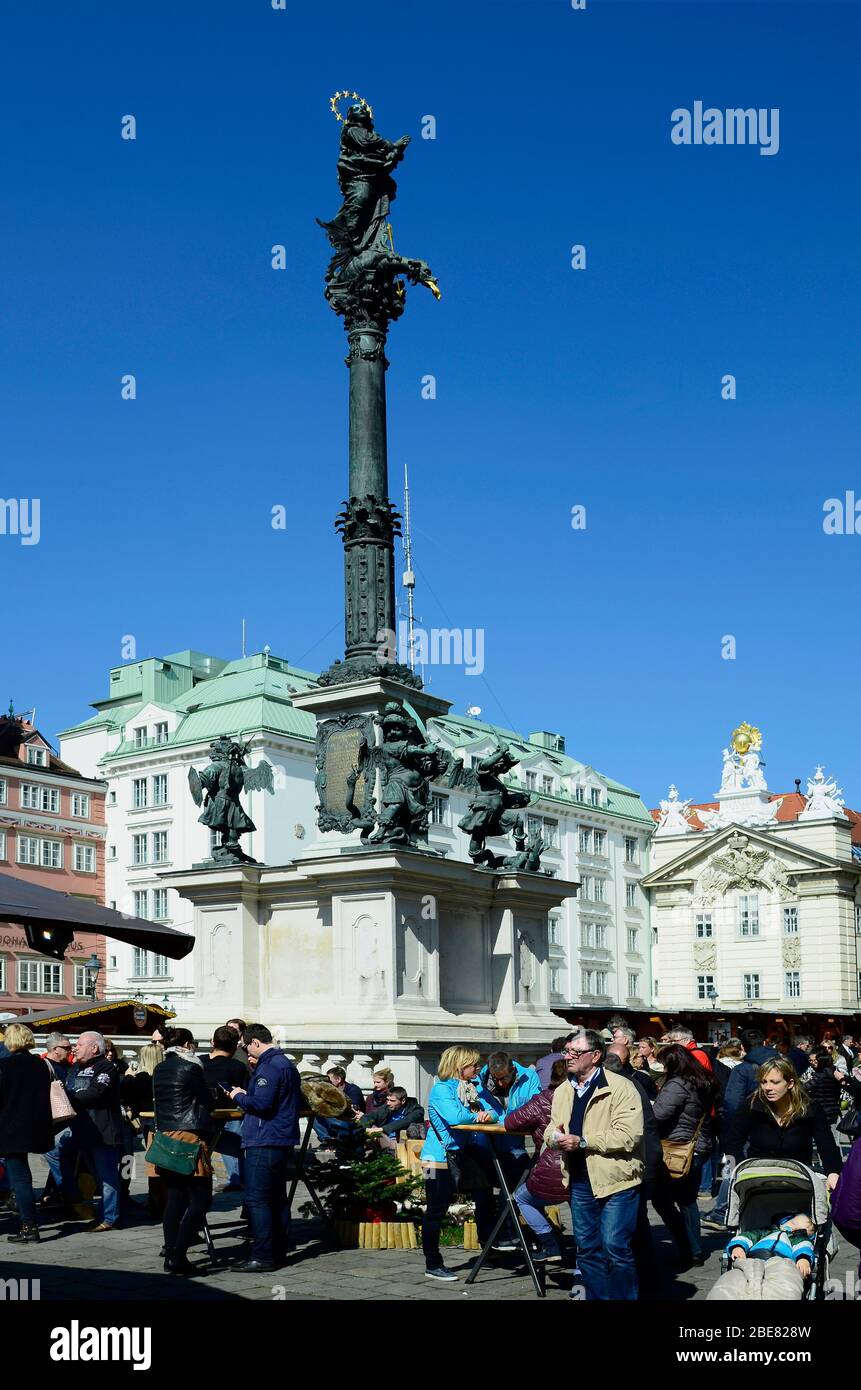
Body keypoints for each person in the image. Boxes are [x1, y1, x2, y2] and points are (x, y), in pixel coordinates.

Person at [545, 1029, 644, 1300]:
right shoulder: (564, 1089)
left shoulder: (621, 1087)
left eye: (575, 1052)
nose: (568, 1057)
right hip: (579, 1179)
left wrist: (585, 1141)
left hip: (617, 1178)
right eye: (567, 1052)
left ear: (596, 1055)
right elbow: (551, 1129)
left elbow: (629, 1135)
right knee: (587, 1248)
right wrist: (554, 1137)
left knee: (615, 1246)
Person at [227, 1024, 302, 1273]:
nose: (246, 1051)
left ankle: (262, 1255)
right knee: (277, 1198)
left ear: (255, 1042)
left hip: (265, 1138)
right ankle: (278, 1252)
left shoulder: (269, 1066)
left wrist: (238, 1095)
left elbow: (261, 1103)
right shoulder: (286, 1064)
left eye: (246, 1046)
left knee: (257, 1199)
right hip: (280, 1138)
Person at [419, 1046, 496, 1282]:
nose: (478, 1068)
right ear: (458, 1066)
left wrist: (487, 1115)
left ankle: (487, 1242)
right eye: (473, 1064)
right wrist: (478, 1116)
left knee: (484, 1192)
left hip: (462, 1155)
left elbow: (494, 1111)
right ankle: (432, 1263)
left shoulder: (474, 1088)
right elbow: (455, 1117)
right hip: (436, 1158)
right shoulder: (442, 1089)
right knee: (436, 1209)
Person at [151, 1027, 217, 1274]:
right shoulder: (191, 1067)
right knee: (201, 1199)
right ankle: (178, 1255)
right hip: (189, 1136)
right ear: (188, 1045)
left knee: (175, 1197)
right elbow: (208, 1102)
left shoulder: (160, 1067)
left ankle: (170, 1250)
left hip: (166, 1134)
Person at [723, 1057, 842, 1190]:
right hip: (757, 1178)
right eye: (764, 1082)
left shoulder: (810, 1108)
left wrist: (833, 1172)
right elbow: (732, 1143)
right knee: (726, 1197)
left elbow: (827, 1145)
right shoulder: (752, 1105)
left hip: (797, 1177)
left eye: (775, 1082)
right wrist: (737, 1170)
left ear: (790, 1083)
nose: (768, 1088)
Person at [650, 1043, 717, 1271]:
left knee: (662, 1200)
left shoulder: (678, 1083)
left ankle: (687, 1246)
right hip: (698, 1146)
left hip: (678, 1148)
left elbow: (659, 1114)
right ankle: (695, 1250)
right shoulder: (703, 1081)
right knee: (688, 1201)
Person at [603, 1050, 661, 1288]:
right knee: (637, 1221)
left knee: (632, 1224)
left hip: (639, 1161)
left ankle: (643, 1277)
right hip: (645, 1157)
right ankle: (646, 1275)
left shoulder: (624, 1088)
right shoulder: (631, 1083)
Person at [504, 1058, 569, 1262]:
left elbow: (511, 1122)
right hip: (585, 1169)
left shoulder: (544, 1099)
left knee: (521, 1197)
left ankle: (550, 1244)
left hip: (551, 1167)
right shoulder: (585, 1095)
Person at [60, 1030, 124, 1232]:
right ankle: (91, 1208)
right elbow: (67, 1089)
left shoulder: (107, 1067)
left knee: (107, 1177)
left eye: (79, 1044)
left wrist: (68, 1098)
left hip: (103, 1133)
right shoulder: (75, 1067)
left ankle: (109, 1218)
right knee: (92, 1174)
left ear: (94, 1048)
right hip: (81, 1131)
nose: (75, 1048)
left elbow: (95, 1092)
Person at [0, 1023, 54, 1244]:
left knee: (20, 1178)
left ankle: (29, 1226)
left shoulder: (4, 1065)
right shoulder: (41, 1065)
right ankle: (27, 1221)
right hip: (33, 1127)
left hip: (9, 1127)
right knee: (23, 1177)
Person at [708, 1213, 815, 1301]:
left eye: (802, 1229)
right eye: (794, 1223)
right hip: (751, 1258)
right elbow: (745, 1237)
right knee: (734, 1279)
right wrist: (738, 1247)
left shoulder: (798, 1239)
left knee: (786, 1283)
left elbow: (804, 1247)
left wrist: (803, 1258)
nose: (795, 1227)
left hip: (782, 1262)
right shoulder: (765, 1232)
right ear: (784, 1221)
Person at [201, 1026, 248, 1192]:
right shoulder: (238, 1067)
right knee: (235, 1144)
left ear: (213, 1042)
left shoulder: (198, 1062)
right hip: (229, 1115)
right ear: (235, 1046)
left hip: (201, 1117)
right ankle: (237, 1179)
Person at [721, 1030, 779, 1127]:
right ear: (764, 1043)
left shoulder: (741, 1070)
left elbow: (733, 1104)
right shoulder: (785, 1063)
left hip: (753, 1126)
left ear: (742, 1047)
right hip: (783, 1121)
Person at [313, 1066, 364, 1153]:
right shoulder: (329, 1092)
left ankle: (337, 1143)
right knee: (314, 1115)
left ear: (338, 1079)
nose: (327, 1083)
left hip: (352, 1121)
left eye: (329, 1080)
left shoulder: (353, 1089)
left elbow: (353, 1109)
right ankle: (327, 1141)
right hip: (337, 1119)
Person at [359, 1086, 425, 1145]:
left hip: (403, 1143)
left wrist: (381, 1129)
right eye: (387, 1100)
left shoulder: (417, 1110)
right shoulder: (387, 1108)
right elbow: (368, 1117)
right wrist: (366, 1129)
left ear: (403, 1101)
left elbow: (405, 1121)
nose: (388, 1103)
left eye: (392, 1101)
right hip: (386, 1139)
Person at [805, 1046, 843, 1124]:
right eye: (810, 1060)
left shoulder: (821, 1073)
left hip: (822, 1111)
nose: (813, 1063)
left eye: (815, 1060)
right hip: (833, 1109)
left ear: (821, 1059)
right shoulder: (833, 1069)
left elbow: (805, 1087)